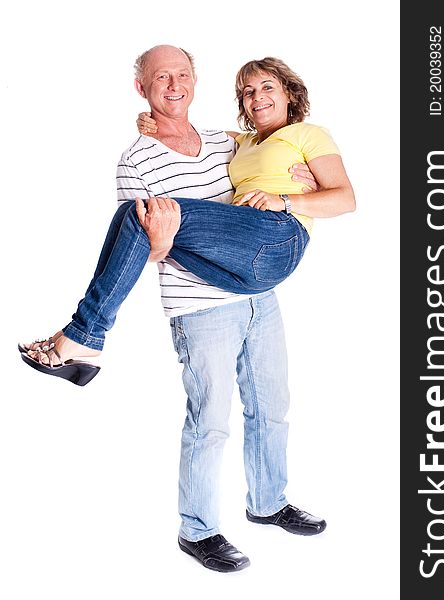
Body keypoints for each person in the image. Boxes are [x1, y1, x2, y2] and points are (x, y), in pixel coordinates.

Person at [20, 45, 355, 571]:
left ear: (195, 82)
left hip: (257, 292)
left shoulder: (228, 141)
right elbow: (141, 252)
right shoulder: (137, 157)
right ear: (143, 89)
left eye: (181, 75)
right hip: (199, 307)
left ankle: (268, 504)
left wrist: (295, 191)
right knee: (210, 422)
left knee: (271, 407)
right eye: (160, 78)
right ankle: (198, 532)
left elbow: (302, 175)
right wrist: (162, 230)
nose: (172, 86)